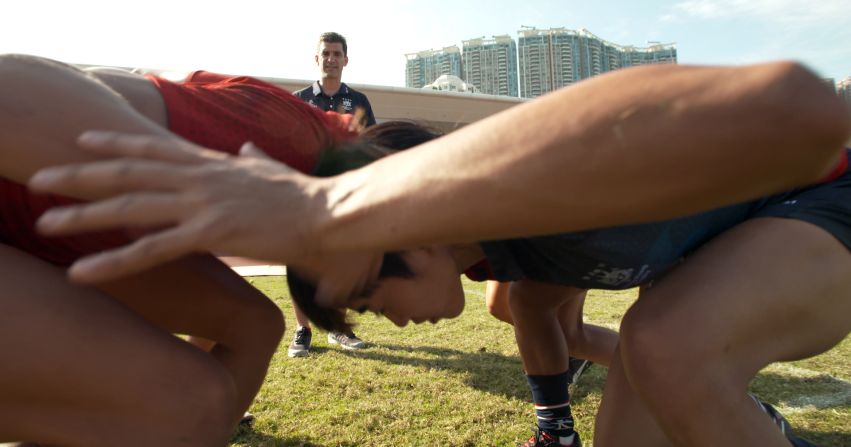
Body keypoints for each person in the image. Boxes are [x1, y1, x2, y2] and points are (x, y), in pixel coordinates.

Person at [30, 61, 851, 447]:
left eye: (363, 291)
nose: (375, 315)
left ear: (409, 227)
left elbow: (792, 107)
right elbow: (544, 321)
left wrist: (325, 205)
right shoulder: (511, 267)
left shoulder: (508, 193)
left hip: (828, 191)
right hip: (766, 227)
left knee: (669, 342)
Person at [0, 53, 406, 445]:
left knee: (250, 332)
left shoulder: (306, 144)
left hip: (59, 227)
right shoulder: (291, 142)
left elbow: (165, 78)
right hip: (35, 212)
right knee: (189, 402)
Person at [289, 31, 377, 355]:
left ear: (345, 60)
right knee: (301, 260)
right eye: (325, 53)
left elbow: (370, 146)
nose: (331, 58)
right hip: (307, 192)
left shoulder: (359, 102)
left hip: (344, 193)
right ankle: (302, 329)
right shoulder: (298, 100)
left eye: (336, 53)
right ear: (317, 58)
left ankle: (338, 328)